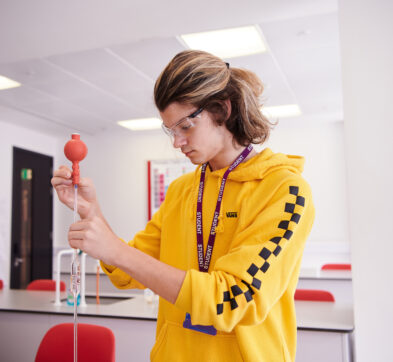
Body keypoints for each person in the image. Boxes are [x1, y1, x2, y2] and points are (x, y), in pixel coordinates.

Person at [52, 50, 315, 361]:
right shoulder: (183, 190)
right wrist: (91, 212)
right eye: (170, 130)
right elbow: (126, 272)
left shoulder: (285, 190)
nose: (176, 142)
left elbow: (233, 299)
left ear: (223, 110)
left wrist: (115, 250)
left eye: (186, 126)